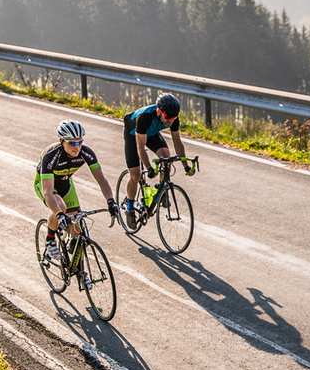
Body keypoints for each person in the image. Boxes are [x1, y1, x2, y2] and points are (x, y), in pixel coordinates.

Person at [34, 119, 119, 261]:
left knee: (77, 228)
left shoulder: (86, 153)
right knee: (60, 207)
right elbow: (48, 192)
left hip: (66, 184)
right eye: (72, 143)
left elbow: (101, 180)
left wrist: (111, 201)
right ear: (62, 141)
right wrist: (60, 215)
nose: (77, 147)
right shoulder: (51, 156)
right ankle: (50, 240)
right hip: (46, 185)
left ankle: (77, 268)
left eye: (80, 142)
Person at [122, 93, 196, 229]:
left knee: (166, 157)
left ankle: (161, 190)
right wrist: (149, 167)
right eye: (167, 118)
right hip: (133, 134)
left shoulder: (173, 118)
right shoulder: (145, 117)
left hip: (151, 134)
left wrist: (185, 165)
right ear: (159, 111)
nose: (170, 122)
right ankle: (130, 206)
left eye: (173, 118)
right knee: (136, 175)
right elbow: (140, 147)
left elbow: (177, 142)